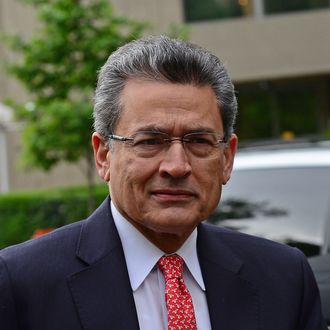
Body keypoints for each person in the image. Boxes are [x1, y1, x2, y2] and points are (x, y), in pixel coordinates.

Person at [0, 36, 327, 330]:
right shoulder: (21, 283)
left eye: (198, 141)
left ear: (227, 158)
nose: (177, 166)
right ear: (103, 156)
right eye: (149, 141)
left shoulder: (283, 279)